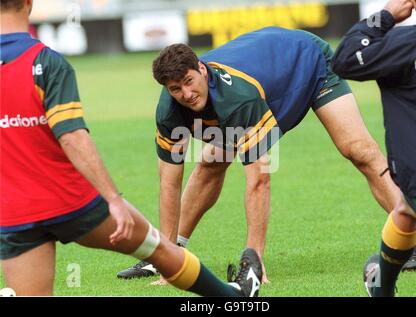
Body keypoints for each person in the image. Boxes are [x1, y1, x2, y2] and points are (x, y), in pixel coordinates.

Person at [118, 25, 416, 284]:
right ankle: (170, 253)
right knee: (210, 164)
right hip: (262, 78)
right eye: (175, 89)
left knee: (359, 151)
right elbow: (168, 183)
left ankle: (412, 244)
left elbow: (258, 182)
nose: (185, 94)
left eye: (189, 82)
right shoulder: (171, 109)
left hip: (307, 63)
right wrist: (167, 258)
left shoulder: (237, 98)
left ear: (201, 69)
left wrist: (254, 260)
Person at [0, 0, 262, 297]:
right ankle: (235, 297)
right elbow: (72, 138)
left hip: (16, 212)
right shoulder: (47, 62)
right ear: (28, 4)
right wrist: (113, 198)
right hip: (74, 203)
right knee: (162, 251)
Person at [332, 0, 416, 296]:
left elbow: (344, 58)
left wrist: (382, 17)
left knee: (404, 212)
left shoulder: (404, 43)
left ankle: (382, 286)